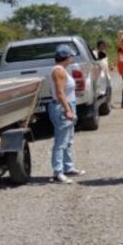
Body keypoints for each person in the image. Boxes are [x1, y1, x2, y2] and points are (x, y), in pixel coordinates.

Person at [48, 44, 85, 184]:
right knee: (61, 142)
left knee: (68, 140)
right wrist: (67, 109)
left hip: (67, 105)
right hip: (62, 108)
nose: (72, 58)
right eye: (71, 56)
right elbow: (59, 92)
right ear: (66, 57)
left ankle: (68, 167)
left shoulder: (63, 69)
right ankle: (58, 172)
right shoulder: (58, 71)